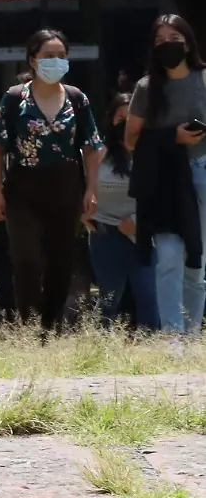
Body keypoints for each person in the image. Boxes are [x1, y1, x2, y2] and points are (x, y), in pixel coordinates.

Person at [0, 29, 102, 330]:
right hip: (23, 189)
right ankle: (28, 324)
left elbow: (92, 148)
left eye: (62, 56)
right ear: (33, 60)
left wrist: (91, 189)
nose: (56, 62)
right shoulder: (14, 99)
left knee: (61, 261)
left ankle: (50, 327)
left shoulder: (77, 99)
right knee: (27, 259)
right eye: (49, 56)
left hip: (66, 189)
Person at [127, 15, 206, 334]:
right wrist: (171, 138)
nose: (167, 45)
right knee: (169, 258)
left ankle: (192, 334)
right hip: (163, 182)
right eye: (159, 41)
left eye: (173, 37)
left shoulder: (203, 80)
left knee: (196, 266)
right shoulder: (146, 88)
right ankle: (172, 337)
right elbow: (131, 139)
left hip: (201, 173)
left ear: (187, 41)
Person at [89, 93, 158, 328]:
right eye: (121, 118)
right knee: (108, 300)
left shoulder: (154, 153)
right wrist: (84, 212)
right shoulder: (98, 153)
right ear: (111, 120)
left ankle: (154, 351)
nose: (127, 124)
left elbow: (163, 194)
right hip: (105, 234)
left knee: (149, 297)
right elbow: (82, 187)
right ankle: (99, 349)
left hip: (145, 234)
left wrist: (139, 223)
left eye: (133, 118)